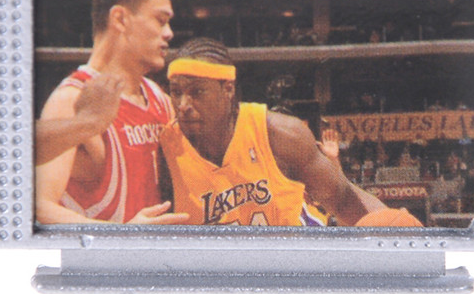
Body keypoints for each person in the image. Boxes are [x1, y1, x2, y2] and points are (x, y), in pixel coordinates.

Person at [159, 38, 422, 228]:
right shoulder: (165, 148)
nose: (183, 105)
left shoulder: (280, 133)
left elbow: (342, 199)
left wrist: (399, 234)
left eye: (197, 92)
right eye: (176, 92)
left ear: (228, 90)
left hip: (297, 267)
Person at [35, 0, 189, 225]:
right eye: (160, 20)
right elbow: (39, 208)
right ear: (120, 19)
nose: (169, 32)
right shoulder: (72, 99)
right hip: (105, 251)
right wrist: (122, 237)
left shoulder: (159, 98)